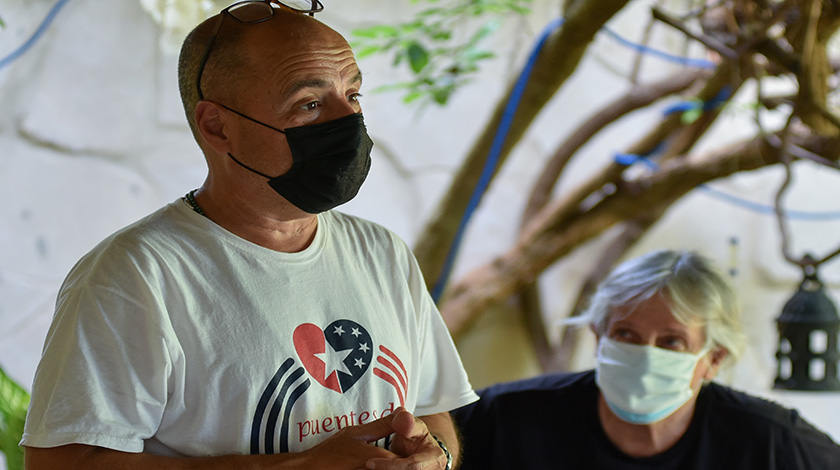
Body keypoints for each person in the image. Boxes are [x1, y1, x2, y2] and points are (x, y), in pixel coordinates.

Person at [21, 2, 477, 469]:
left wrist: (434, 458)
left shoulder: (382, 253)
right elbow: (62, 463)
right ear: (217, 126)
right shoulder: (136, 275)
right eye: (311, 104)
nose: (349, 122)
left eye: (354, 94)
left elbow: (429, 412)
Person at [452, 249, 840, 469]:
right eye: (626, 335)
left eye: (672, 342)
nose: (645, 355)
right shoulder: (504, 419)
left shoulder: (771, 443)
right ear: (598, 337)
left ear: (713, 359)